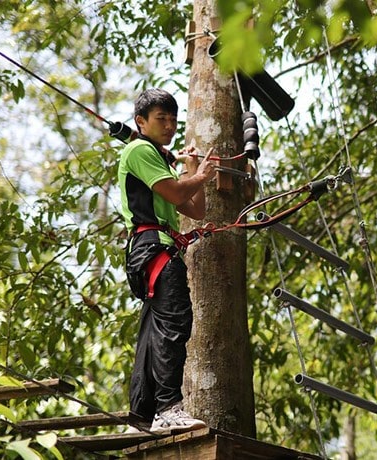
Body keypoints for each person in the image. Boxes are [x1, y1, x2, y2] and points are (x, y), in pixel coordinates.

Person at [118, 88, 218, 431]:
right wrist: (201, 175)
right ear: (140, 122)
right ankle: (168, 408)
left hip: (157, 250)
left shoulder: (159, 160)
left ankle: (142, 414)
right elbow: (177, 193)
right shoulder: (140, 149)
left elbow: (195, 209)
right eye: (161, 118)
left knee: (154, 331)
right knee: (175, 323)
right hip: (153, 247)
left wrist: (192, 169)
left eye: (174, 120)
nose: (170, 125)